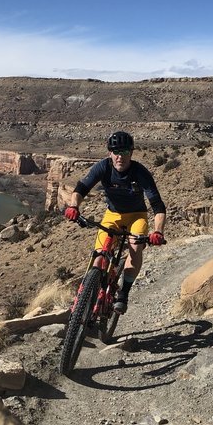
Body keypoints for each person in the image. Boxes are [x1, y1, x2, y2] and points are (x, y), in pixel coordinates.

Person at [64, 130, 166, 313]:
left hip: (137, 216)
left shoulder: (140, 172)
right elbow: (81, 188)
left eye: (125, 152)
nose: (120, 156)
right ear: (110, 152)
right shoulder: (103, 167)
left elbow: (158, 206)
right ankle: (89, 300)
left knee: (135, 247)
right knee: (99, 256)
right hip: (113, 215)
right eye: (116, 151)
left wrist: (158, 231)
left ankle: (124, 293)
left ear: (131, 153)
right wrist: (74, 206)